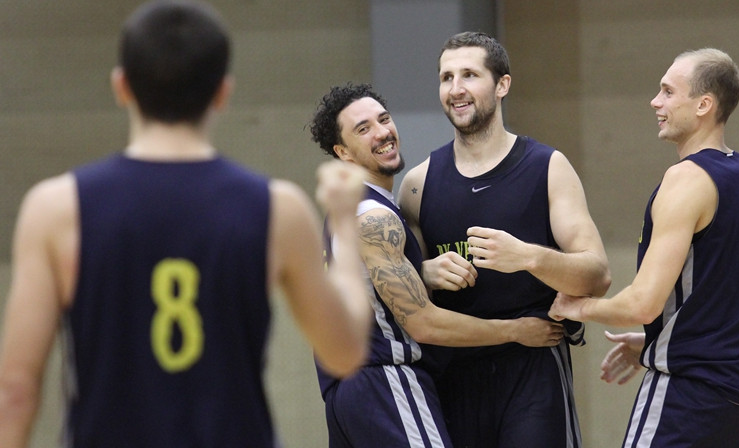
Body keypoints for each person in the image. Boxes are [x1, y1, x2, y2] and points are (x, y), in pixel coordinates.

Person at [0, 1, 373, 447]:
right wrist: (344, 223)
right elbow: (346, 353)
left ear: (121, 87)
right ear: (222, 92)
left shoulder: (55, 208)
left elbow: (15, 393)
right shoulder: (279, 208)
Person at [309, 83, 569, 448]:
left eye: (383, 119)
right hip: (385, 383)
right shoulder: (373, 218)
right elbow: (424, 323)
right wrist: (516, 330)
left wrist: (422, 270)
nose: (382, 132)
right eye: (363, 129)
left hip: (345, 397)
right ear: (342, 152)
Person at [549, 48, 739, 447]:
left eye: (668, 92)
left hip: (691, 392)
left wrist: (576, 306)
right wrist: (663, 338)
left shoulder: (686, 179)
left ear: (704, 104)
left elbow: (641, 305)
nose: (655, 101)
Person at [398, 32, 611, 448]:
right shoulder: (418, 184)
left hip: (532, 368)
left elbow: (598, 276)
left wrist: (529, 257)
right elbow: (402, 295)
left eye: (469, 75)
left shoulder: (547, 167)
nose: (455, 89)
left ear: (502, 85)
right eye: (446, 77)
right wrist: (423, 272)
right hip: (452, 373)